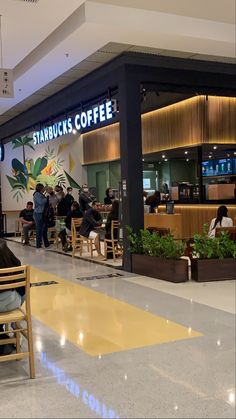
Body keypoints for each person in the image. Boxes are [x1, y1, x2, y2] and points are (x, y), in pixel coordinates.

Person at [0, 240, 23, 356]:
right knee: (23, 291)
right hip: (11, 302)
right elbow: (18, 265)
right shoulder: (3, 247)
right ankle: (16, 330)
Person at [33, 183, 50, 249]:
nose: (44, 189)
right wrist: (46, 198)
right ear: (40, 188)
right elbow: (40, 202)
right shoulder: (37, 194)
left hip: (42, 213)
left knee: (43, 229)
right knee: (39, 229)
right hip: (38, 213)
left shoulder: (40, 194)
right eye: (43, 188)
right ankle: (38, 245)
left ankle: (46, 243)